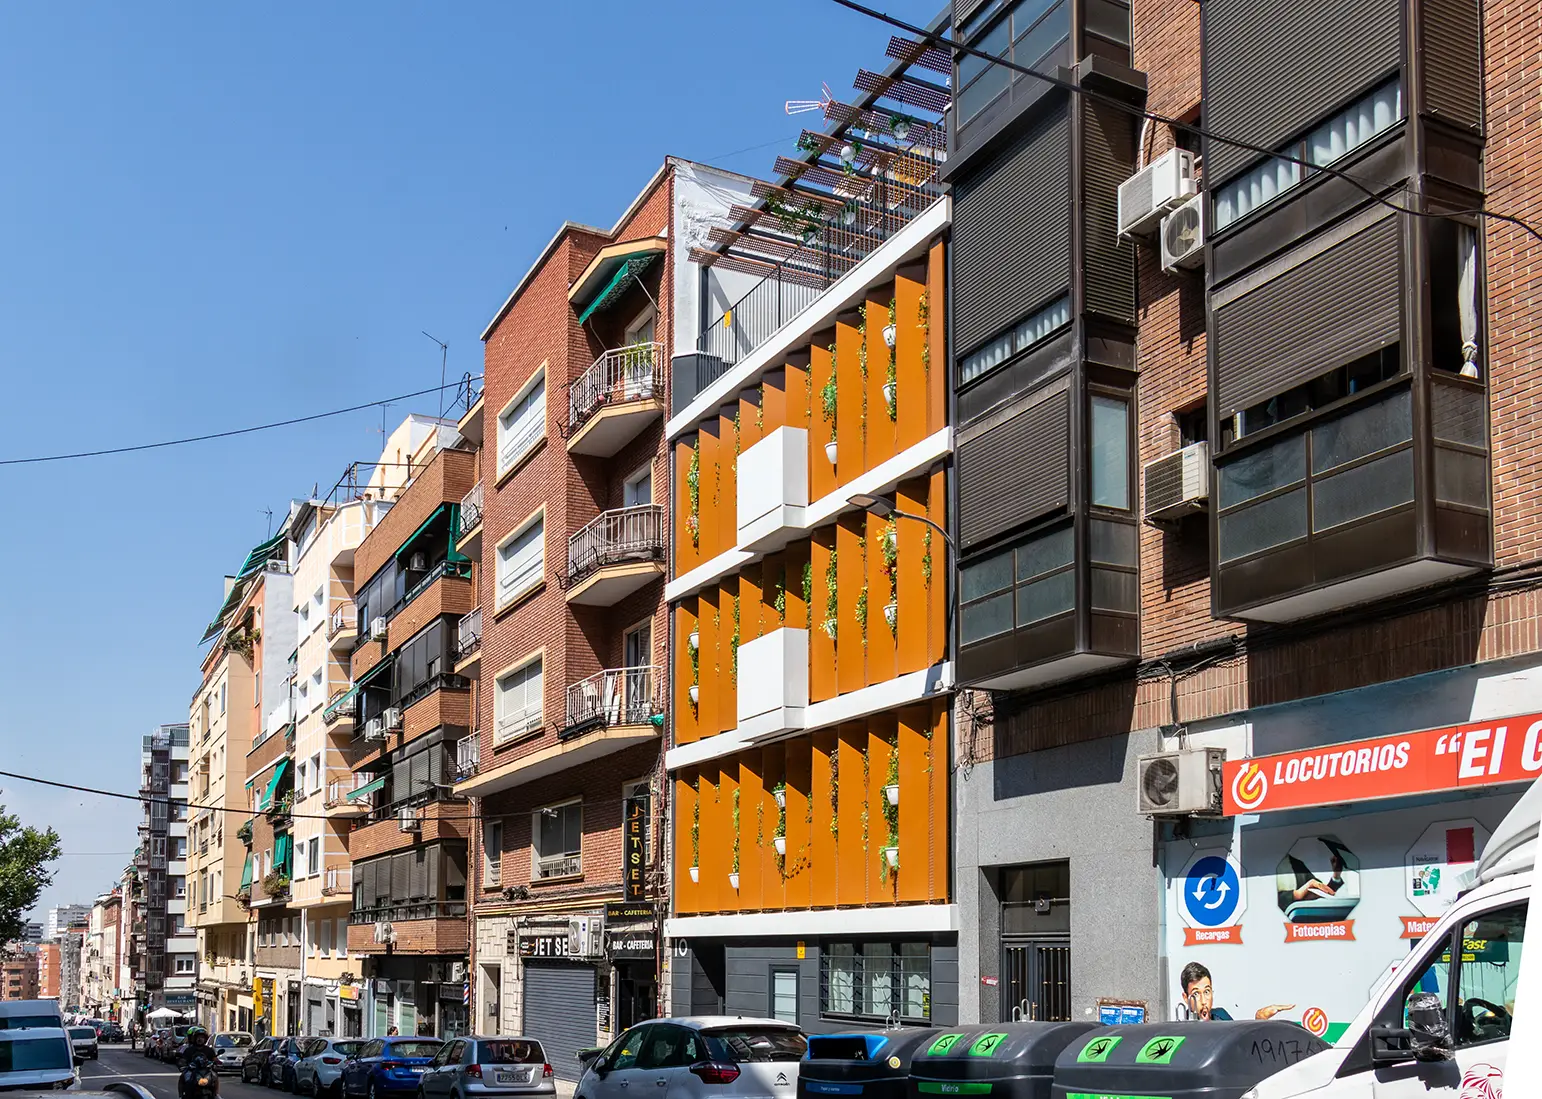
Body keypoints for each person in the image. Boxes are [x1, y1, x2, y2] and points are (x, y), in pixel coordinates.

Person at [1179, 962, 1294, 1021]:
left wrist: (1259, 1020)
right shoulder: (1180, 1030)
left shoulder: (1221, 1016)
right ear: (1185, 997)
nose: (1204, 1001)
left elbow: (1241, 1046)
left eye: (1207, 992)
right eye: (1196, 994)